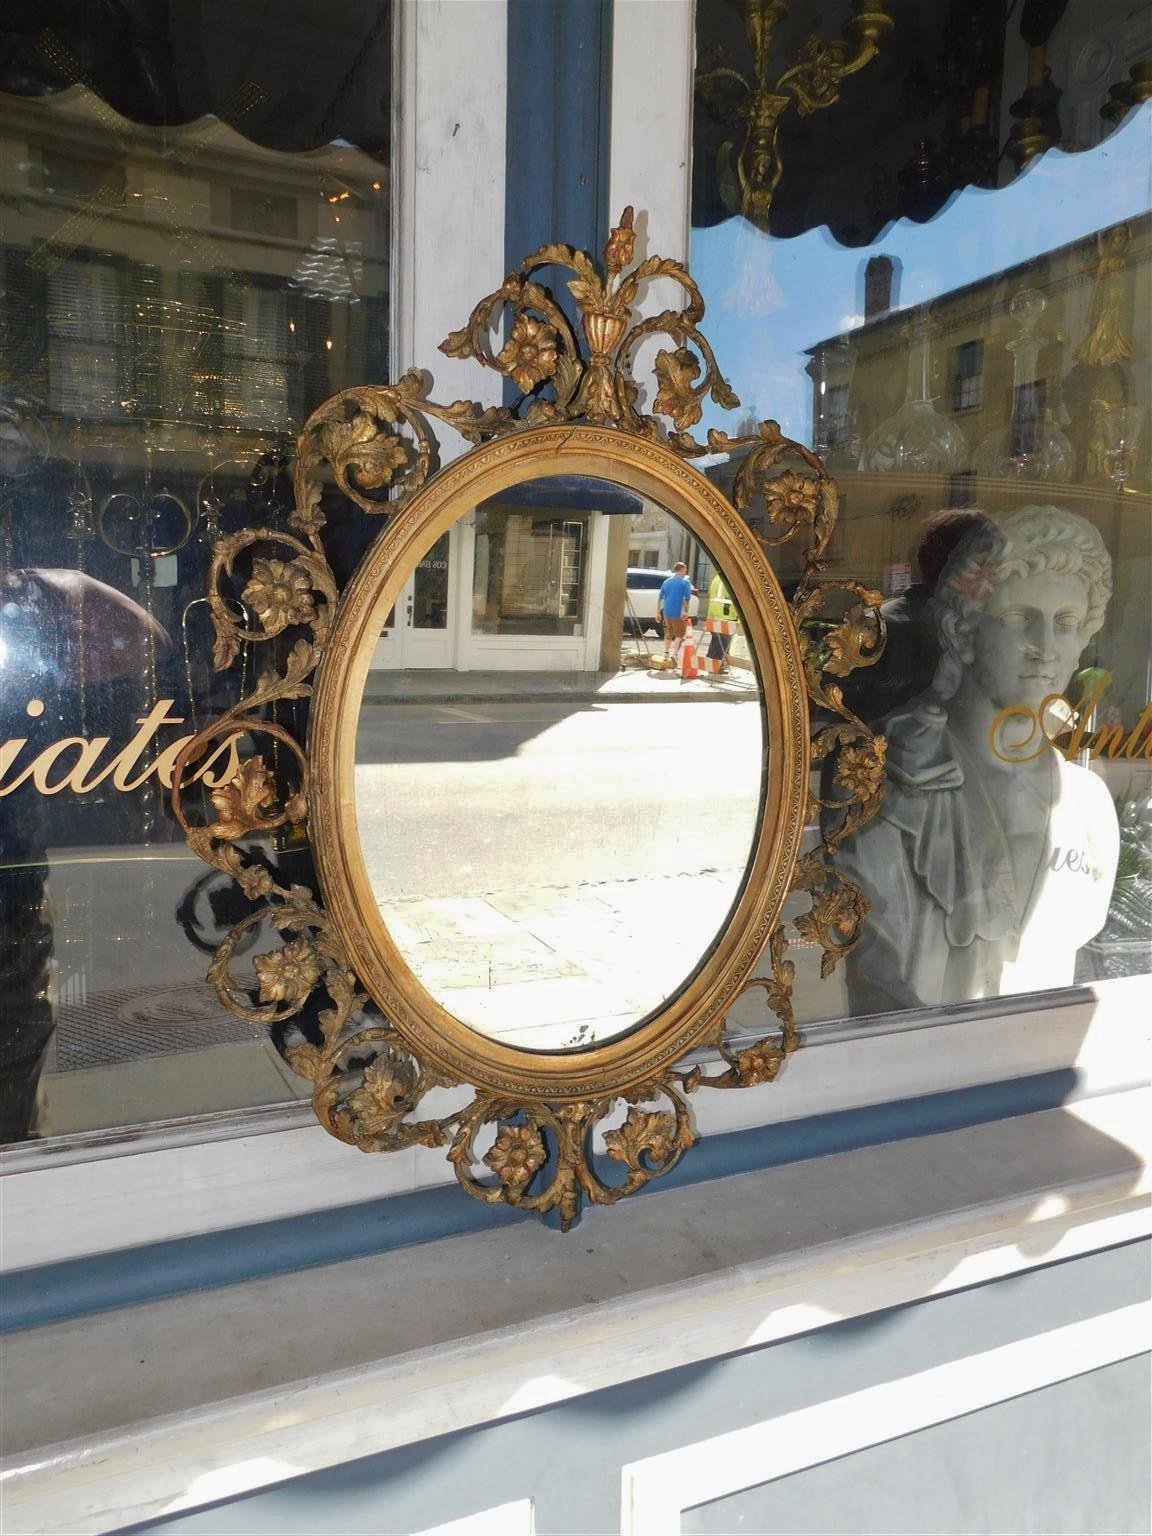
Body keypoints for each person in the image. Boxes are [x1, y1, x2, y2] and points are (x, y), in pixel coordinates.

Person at [837, 505, 1119, 1015]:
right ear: (964, 632)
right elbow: (879, 980)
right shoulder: (889, 785)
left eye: (1067, 623)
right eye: (1019, 619)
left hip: (1037, 1063)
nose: (1045, 647)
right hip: (915, 1066)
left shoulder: (1088, 805)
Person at [840, 508, 994, 723]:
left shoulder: (887, 623)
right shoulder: (891, 632)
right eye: (986, 568)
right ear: (957, 570)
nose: (996, 580)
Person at [702, 571, 740, 675]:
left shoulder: (716, 578)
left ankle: (710, 664)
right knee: (722, 643)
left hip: (714, 615)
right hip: (726, 615)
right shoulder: (729, 579)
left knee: (715, 641)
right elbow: (736, 598)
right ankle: (715, 667)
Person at [657, 562, 693, 664]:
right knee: (680, 633)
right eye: (685, 569)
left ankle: (666, 653)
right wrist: (686, 612)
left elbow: (660, 598)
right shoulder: (685, 583)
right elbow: (686, 599)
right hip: (677, 612)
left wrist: (658, 612)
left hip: (666, 611)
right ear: (681, 569)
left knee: (668, 632)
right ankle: (675, 654)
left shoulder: (666, 582)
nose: (685, 571)